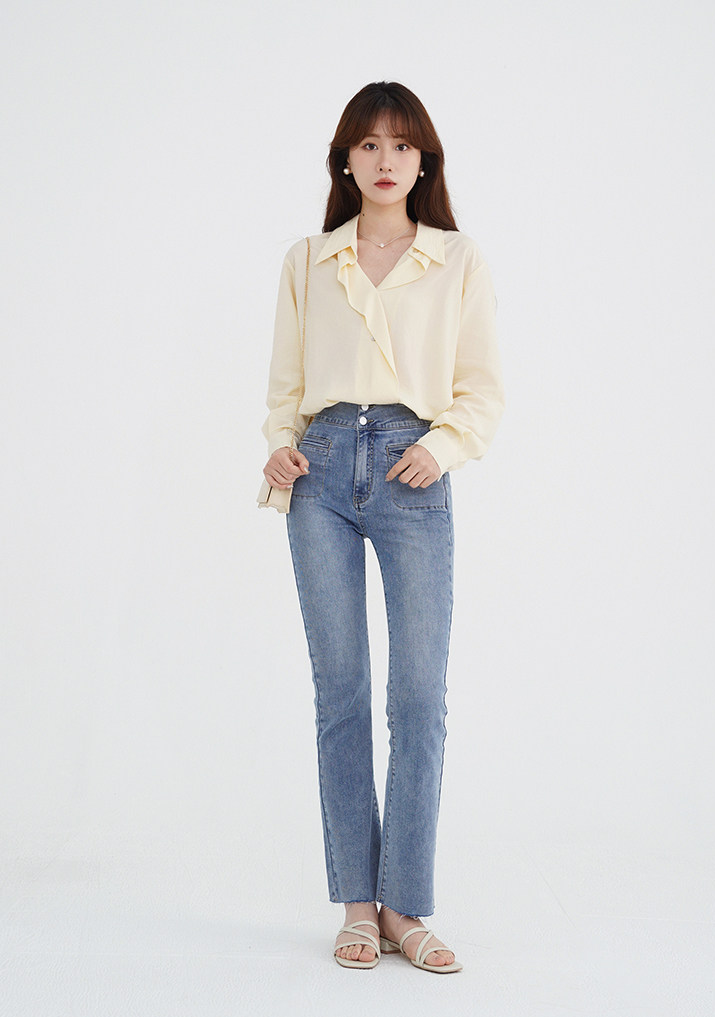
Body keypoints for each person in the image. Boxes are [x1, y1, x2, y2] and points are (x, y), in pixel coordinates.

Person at [258, 81, 504, 973]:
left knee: (420, 698)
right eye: (368, 144)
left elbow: (482, 389)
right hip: (320, 472)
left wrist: (441, 446)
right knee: (342, 694)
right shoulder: (308, 259)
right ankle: (357, 905)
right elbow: (285, 388)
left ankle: (405, 904)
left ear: (425, 159)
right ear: (346, 160)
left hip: (412, 467)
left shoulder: (456, 258)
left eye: (402, 145)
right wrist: (280, 450)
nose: (386, 159)